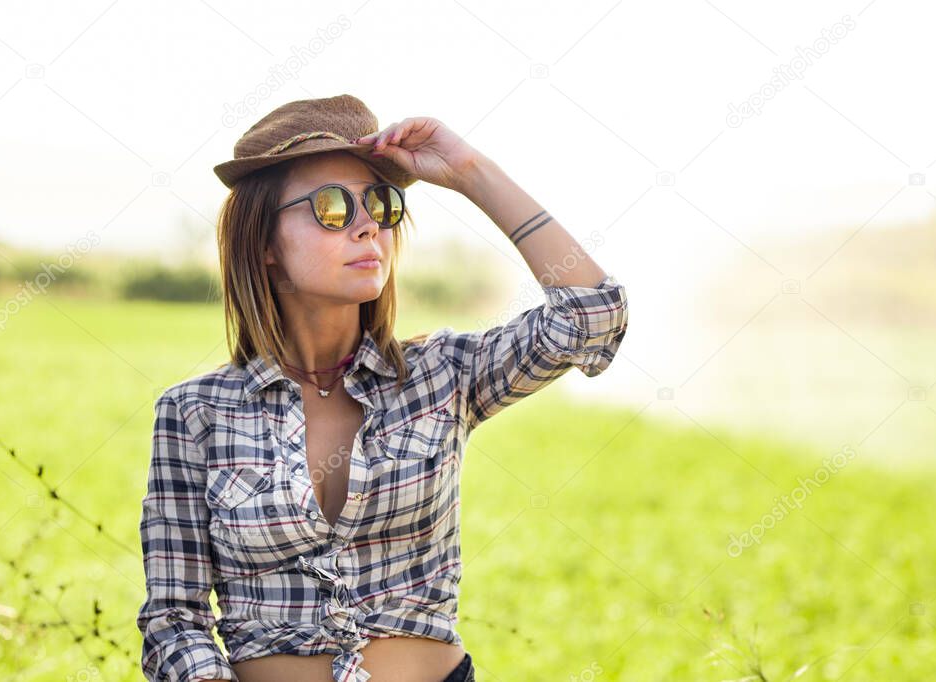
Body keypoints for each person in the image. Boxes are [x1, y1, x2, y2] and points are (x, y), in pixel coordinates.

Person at [136, 94, 629, 682]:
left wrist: (470, 173)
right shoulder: (194, 413)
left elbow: (592, 318)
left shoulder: (443, 373)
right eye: (331, 207)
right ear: (264, 244)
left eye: (380, 203)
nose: (368, 224)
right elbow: (174, 617)